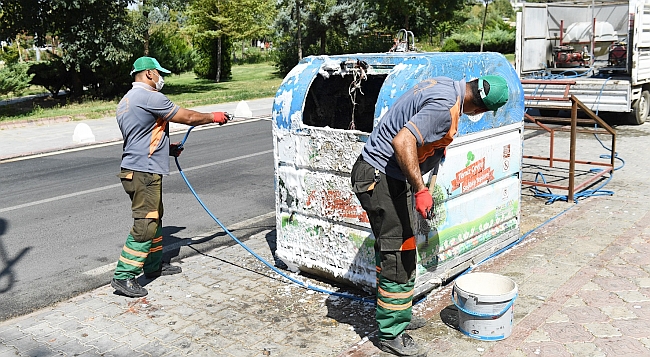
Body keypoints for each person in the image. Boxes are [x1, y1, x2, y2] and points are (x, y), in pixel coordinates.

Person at [350, 75, 509, 356]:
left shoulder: (447, 85)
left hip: (392, 177)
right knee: (398, 254)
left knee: (402, 248)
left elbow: (415, 125)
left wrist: (435, 150)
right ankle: (390, 333)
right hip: (380, 178)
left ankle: (398, 314)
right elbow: (403, 142)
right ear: (480, 108)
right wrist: (422, 189)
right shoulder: (444, 108)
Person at [111, 56, 233, 298]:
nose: (161, 78)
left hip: (139, 168)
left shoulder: (126, 100)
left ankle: (154, 266)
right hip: (143, 172)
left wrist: (167, 148)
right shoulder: (148, 96)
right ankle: (123, 276)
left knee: (155, 220)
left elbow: (140, 136)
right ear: (148, 74)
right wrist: (213, 117)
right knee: (146, 223)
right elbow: (185, 117)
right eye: (158, 73)